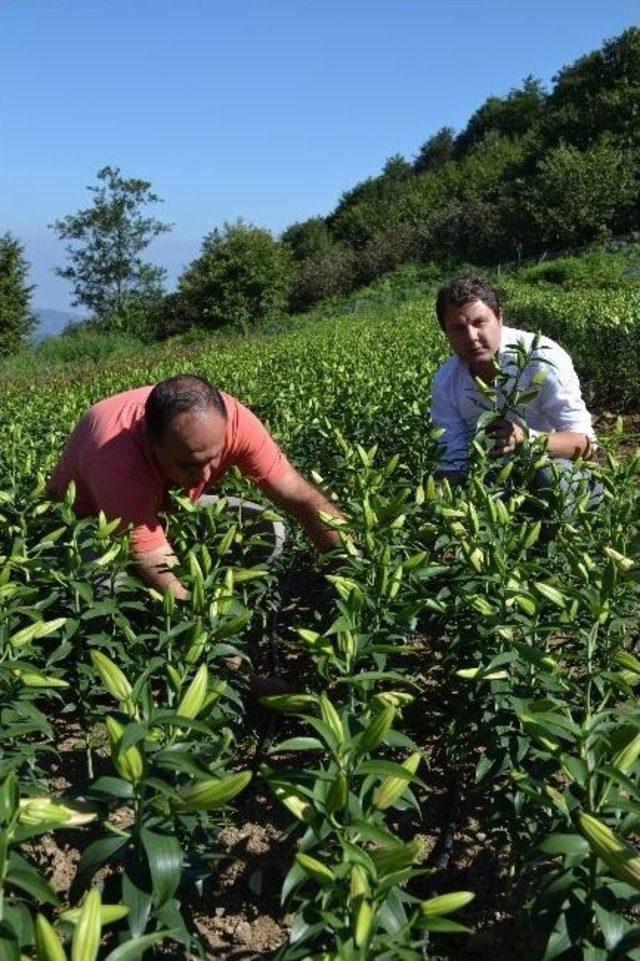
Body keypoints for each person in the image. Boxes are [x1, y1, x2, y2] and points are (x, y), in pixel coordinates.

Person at [49, 374, 344, 598]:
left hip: (166, 507)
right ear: (151, 442)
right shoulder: (114, 456)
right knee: (114, 589)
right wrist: (212, 643)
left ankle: (239, 601)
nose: (205, 476)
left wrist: (350, 568)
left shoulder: (235, 421)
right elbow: (152, 557)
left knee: (268, 530)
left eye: (213, 459)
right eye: (187, 465)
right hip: (86, 524)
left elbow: (299, 494)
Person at [430, 276, 597, 500]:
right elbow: (453, 459)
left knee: (553, 477)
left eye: (479, 323)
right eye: (458, 328)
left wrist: (526, 439)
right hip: (494, 476)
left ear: (499, 317)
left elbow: (586, 444)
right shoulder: (446, 381)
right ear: (446, 334)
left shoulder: (540, 357)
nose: (471, 337)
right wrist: (435, 502)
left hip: (551, 464)